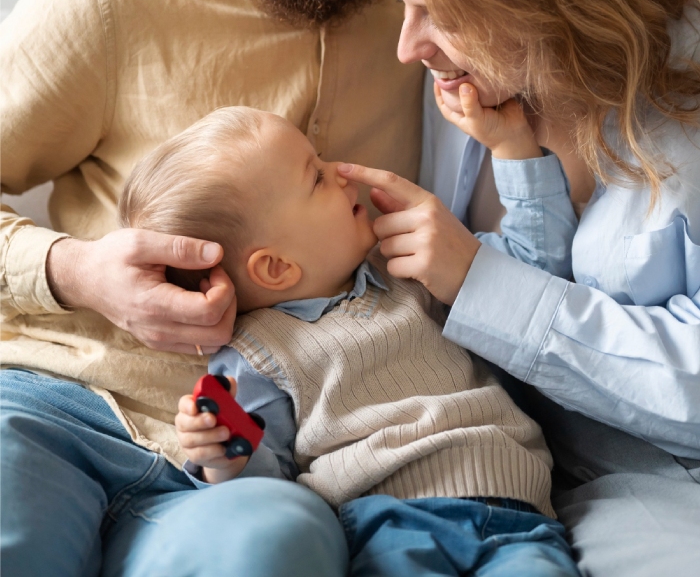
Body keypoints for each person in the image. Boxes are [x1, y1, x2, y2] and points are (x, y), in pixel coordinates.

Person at [0, 0, 424, 575]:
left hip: (251, 466)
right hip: (50, 407)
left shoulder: (437, 1)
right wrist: (70, 270)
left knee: (280, 545)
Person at [339, 0, 700, 576]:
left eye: (438, 13)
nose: (408, 47)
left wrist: (481, 282)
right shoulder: (478, 98)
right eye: (406, 6)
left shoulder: (681, 104)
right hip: (580, 487)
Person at [119, 104, 581, 577]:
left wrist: (514, 149)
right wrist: (221, 455)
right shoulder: (256, 356)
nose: (340, 171)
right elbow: (266, 490)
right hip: (390, 526)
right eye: (316, 177)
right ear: (276, 267)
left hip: (523, 516)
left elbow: (530, 279)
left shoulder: (412, 263)